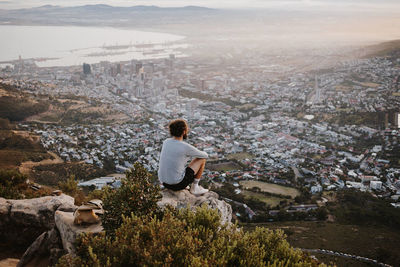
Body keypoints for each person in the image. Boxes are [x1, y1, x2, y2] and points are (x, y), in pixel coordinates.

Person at [158, 119, 209, 195]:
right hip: (177, 185)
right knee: (202, 159)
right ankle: (195, 188)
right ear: (184, 131)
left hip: (164, 183)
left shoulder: (166, 142)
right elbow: (205, 155)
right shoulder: (185, 147)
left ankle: (182, 182)